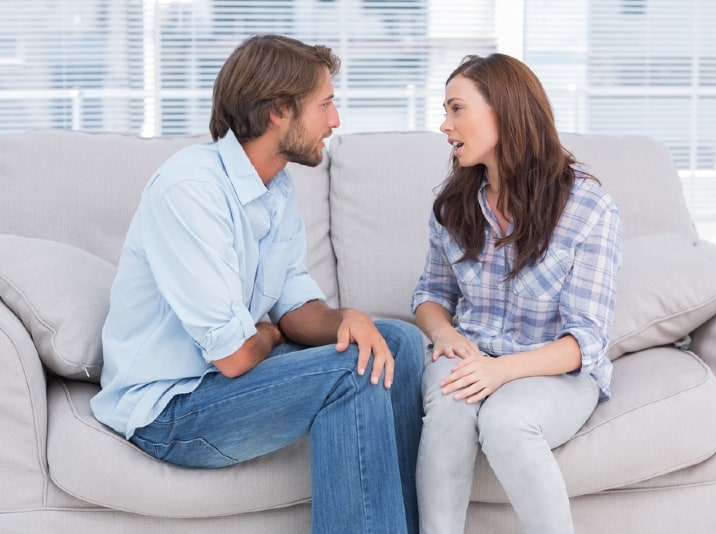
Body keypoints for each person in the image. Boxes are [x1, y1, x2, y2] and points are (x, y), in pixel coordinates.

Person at [91, 34, 424, 534]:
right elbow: (234, 356)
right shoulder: (191, 191)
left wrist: (346, 318)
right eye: (326, 105)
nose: (335, 122)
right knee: (353, 373)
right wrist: (266, 334)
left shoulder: (276, 185)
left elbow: (293, 309)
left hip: (227, 383)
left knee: (398, 342)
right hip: (172, 410)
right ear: (278, 112)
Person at [411, 53, 623, 534]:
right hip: (472, 349)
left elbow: (586, 340)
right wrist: (443, 332)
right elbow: (429, 294)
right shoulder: (453, 204)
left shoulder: (588, 207)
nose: (445, 125)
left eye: (456, 109)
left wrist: (500, 371)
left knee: (507, 421)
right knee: (449, 403)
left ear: (503, 110)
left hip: (554, 369)